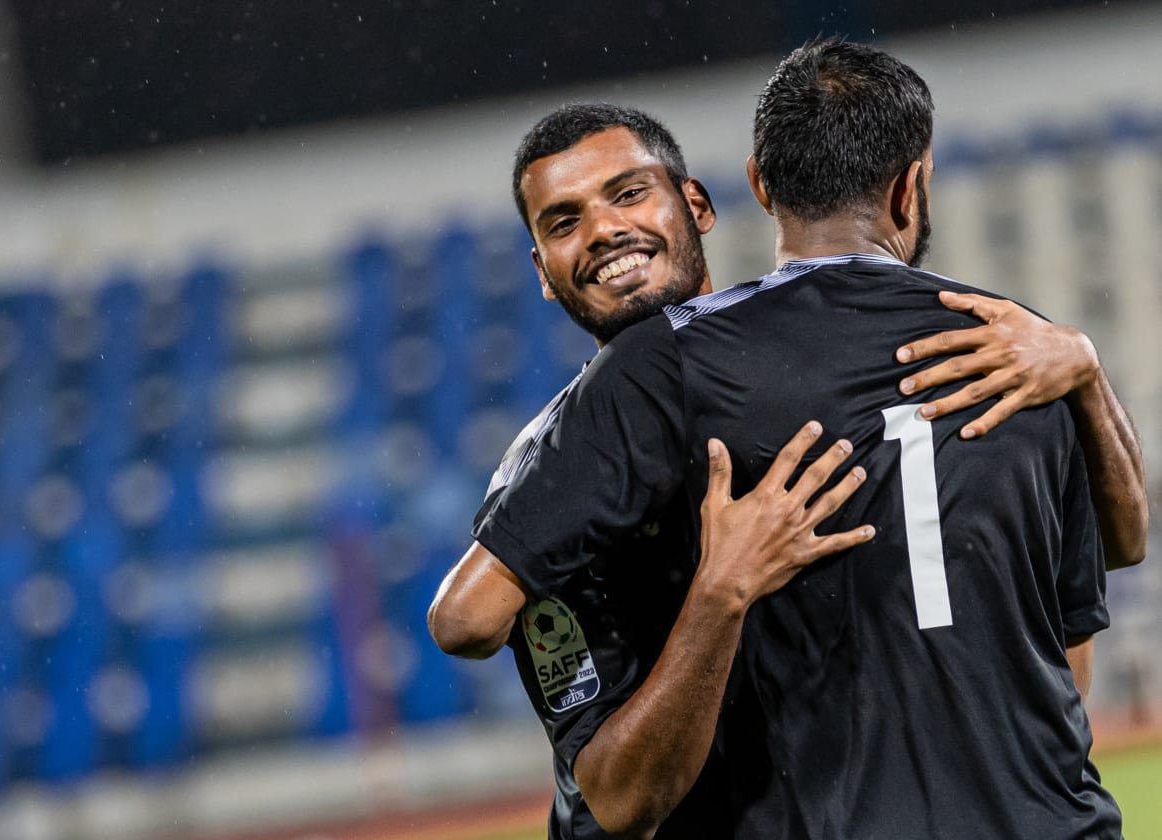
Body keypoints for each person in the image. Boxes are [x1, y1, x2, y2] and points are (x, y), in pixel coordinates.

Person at [431, 84, 1146, 836]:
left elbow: (1067, 625)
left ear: (699, 205)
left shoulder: (835, 375)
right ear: (542, 272)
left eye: (629, 193)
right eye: (565, 222)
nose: (605, 230)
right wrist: (720, 592)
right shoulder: (552, 477)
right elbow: (611, 803)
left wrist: (1082, 368)